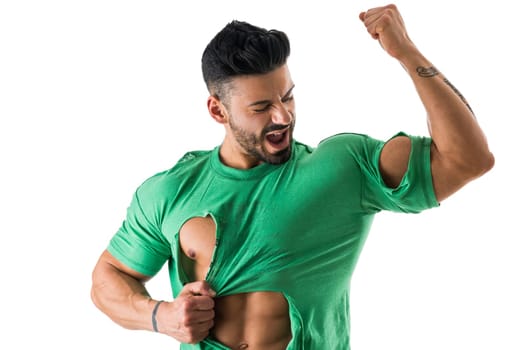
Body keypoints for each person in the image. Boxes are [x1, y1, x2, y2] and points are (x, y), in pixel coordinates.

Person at [91, 4, 494, 349]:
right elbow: (108, 277)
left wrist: (406, 53)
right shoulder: (171, 189)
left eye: (287, 96)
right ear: (218, 111)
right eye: (262, 106)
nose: (282, 116)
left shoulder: (341, 168)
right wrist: (160, 316)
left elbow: (468, 159)